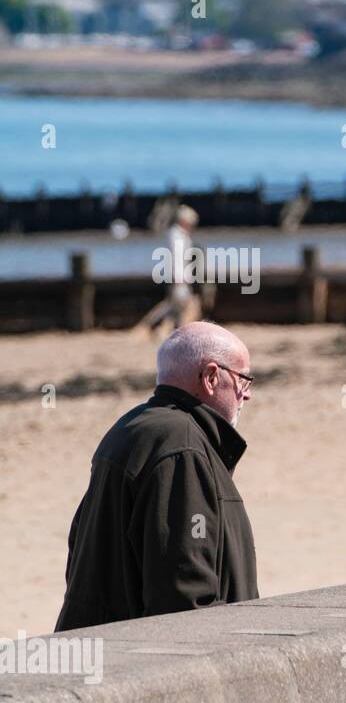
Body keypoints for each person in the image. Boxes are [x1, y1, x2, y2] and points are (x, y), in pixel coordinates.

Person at [56, 321, 258, 632]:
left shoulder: (131, 427)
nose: (246, 396)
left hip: (100, 648)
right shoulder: (183, 448)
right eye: (243, 381)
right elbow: (184, 600)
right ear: (211, 377)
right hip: (143, 665)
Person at [143, 204, 200, 333]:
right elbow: (177, 257)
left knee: (175, 305)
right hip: (179, 276)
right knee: (179, 304)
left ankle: (165, 328)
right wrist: (179, 277)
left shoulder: (181, 235)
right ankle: (152, 325)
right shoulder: (176, 235)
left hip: (180, 275)